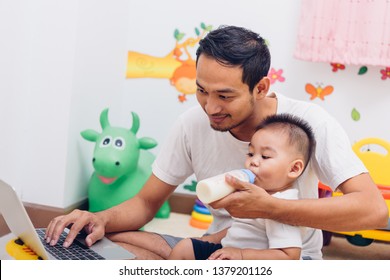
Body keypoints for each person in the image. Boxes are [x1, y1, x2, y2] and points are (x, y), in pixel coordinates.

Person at [45, 25, 388, 260]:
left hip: (281, 259)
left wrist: (272, 209)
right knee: (101, 244)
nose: (210, 107)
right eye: (201, 90)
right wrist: (100, 219)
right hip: (219, 246)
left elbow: (372, 208)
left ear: (261, 88)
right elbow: (146, 204)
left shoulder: (307, 124)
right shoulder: (191, 125)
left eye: (225, 95)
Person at [168, 113, 315, 260]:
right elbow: (239, 229)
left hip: (256, 261)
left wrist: (242, 255)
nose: (253, 162)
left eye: (265, 156)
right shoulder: (253, 194)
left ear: (294, 168)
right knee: (185, 248)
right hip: (229, 250)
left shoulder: (282, 205)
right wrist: (209, 239)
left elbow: (289, 257)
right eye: (251, 154)